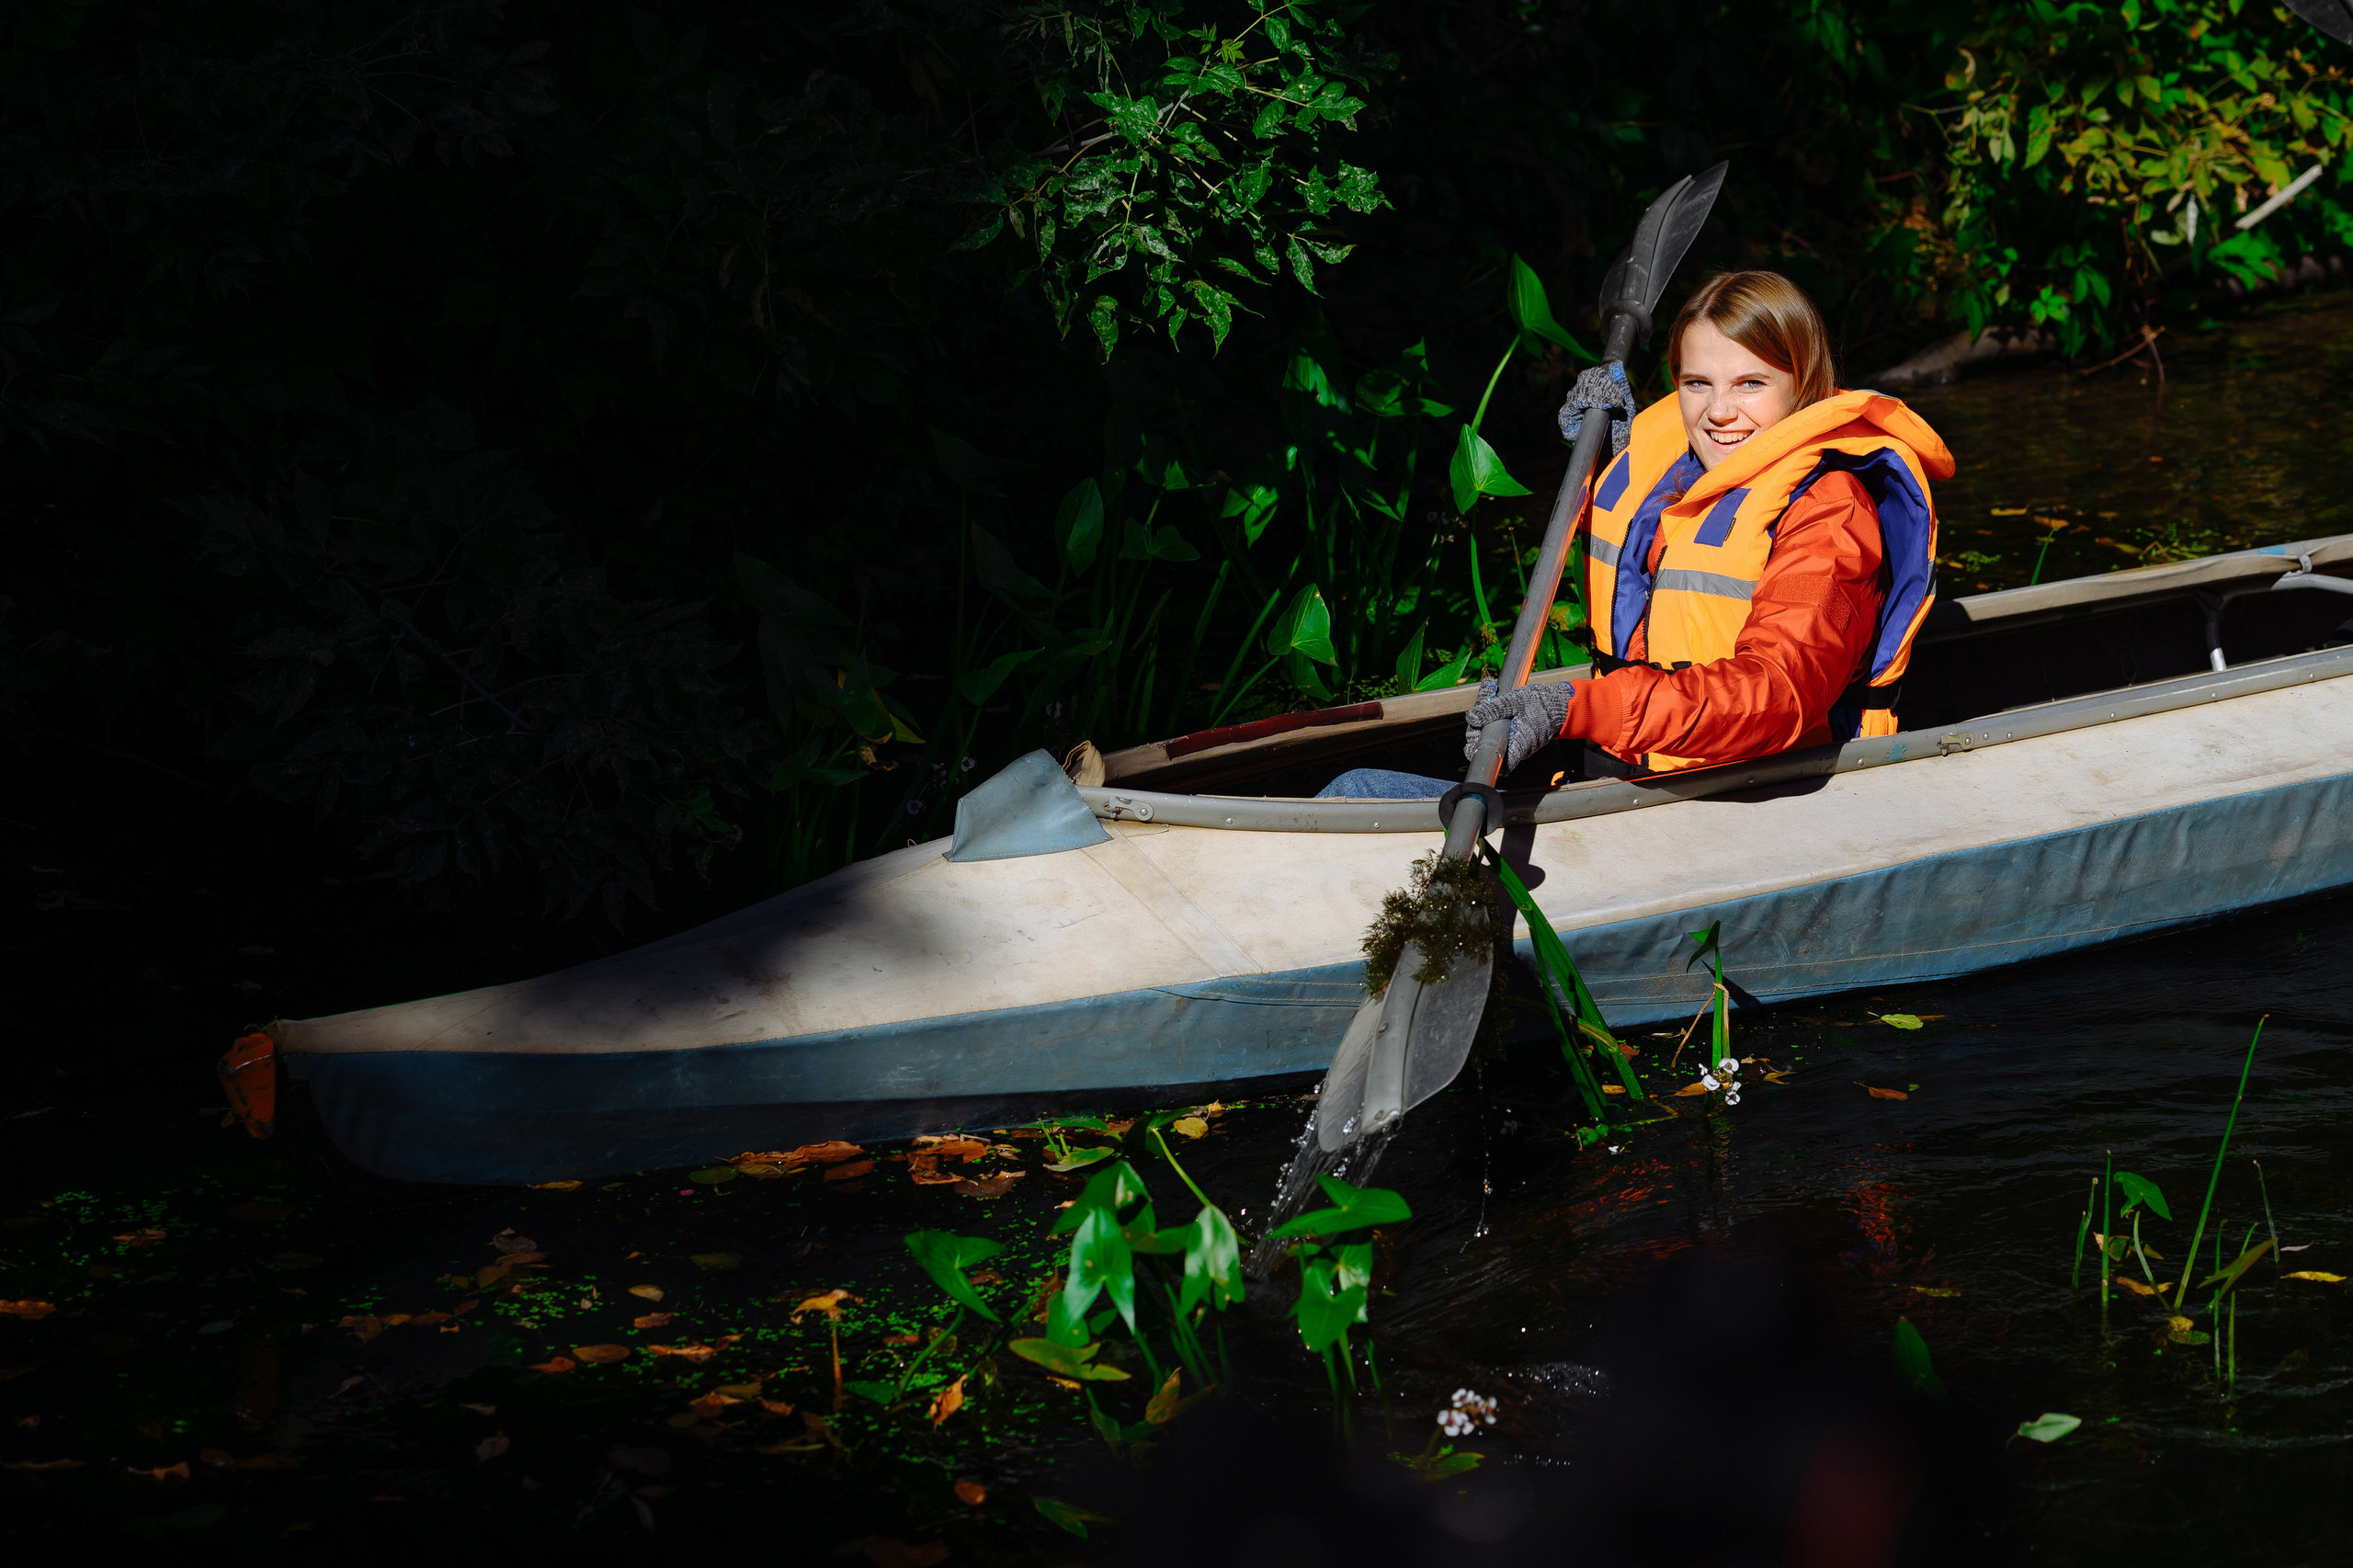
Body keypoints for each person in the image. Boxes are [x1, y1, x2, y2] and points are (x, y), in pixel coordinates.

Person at [1317, 269, 1952, 800]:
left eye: (1751, 384)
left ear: (1804, 386)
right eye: (1697, 383)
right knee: (1353, 786)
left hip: (1750, 793)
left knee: (1355, 796)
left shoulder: (1830, 510)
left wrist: (1576, 708)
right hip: (1629, 775)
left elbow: (1775, 695)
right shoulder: (1670, 462)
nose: (1719, 412)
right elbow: (1645, 583)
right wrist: (1602, 459)